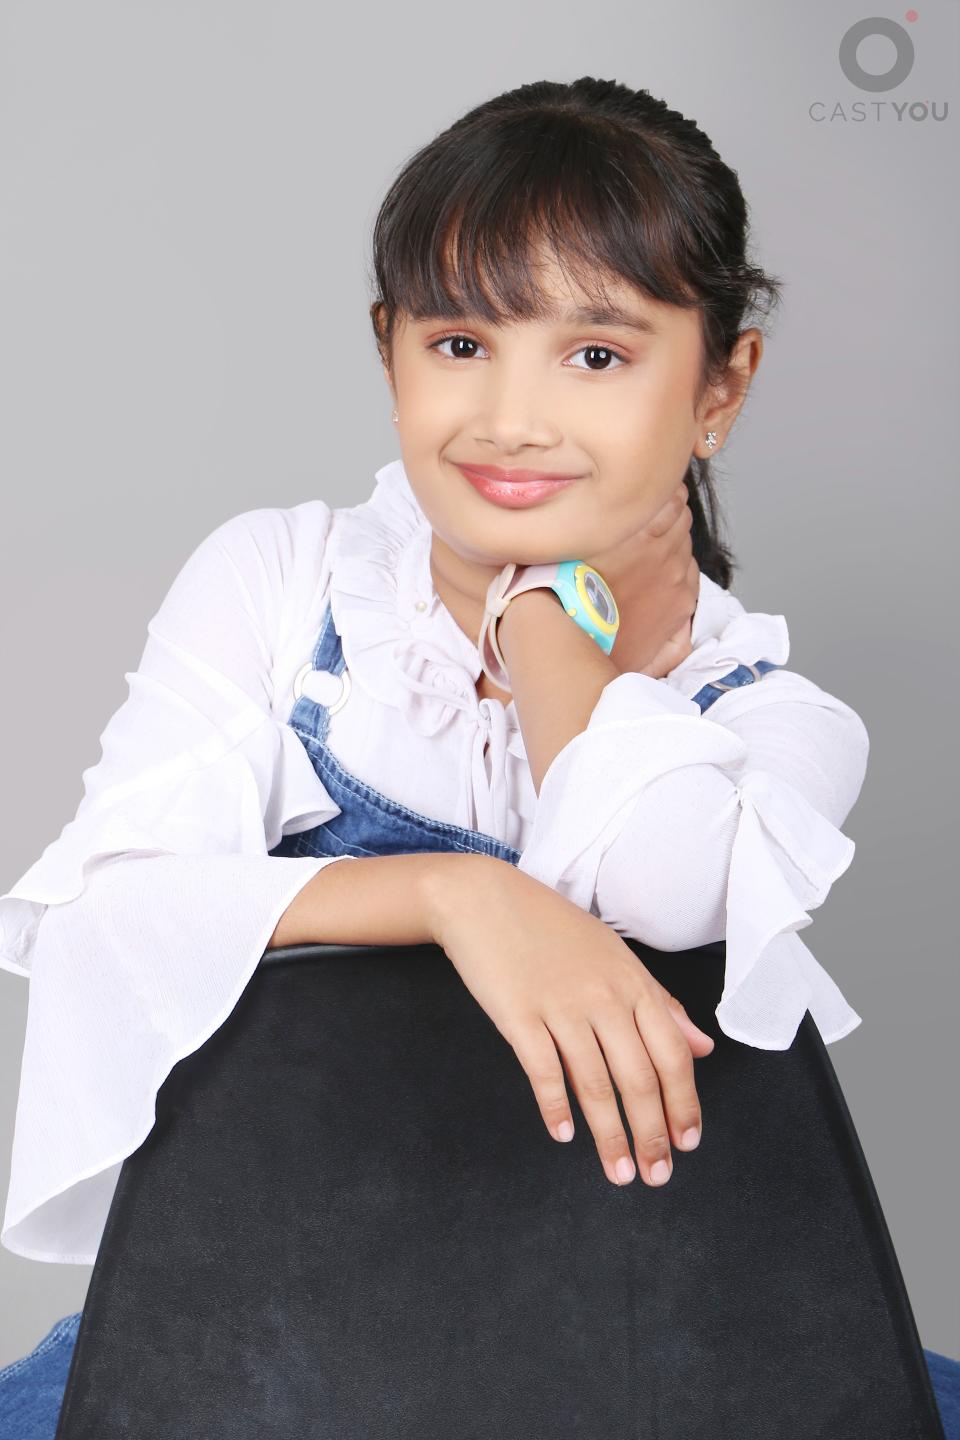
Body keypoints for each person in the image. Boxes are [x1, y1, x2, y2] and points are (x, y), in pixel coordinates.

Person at [1, 74, 956, 1437]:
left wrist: (539, 624)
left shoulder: (768, 713)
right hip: (257, 1327)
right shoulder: (288, 589)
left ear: (721, 387)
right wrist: (459, 896)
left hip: (664, 1348)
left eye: (596, 356)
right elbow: (105, 910)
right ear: (389, 350)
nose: (512, 417)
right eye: (460, 342)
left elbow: (664, 878)